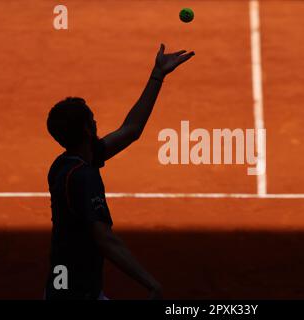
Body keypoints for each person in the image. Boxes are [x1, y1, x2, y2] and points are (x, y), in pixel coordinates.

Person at [44, 44, 194, 300]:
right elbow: (104, 240)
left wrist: (157, 75)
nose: (96, 121)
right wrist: (151, 284)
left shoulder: (67, 163)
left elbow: (132, 129)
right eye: (91, 119)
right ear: (86, 131)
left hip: (69, 288)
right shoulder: (84, 176)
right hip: (76, 294)